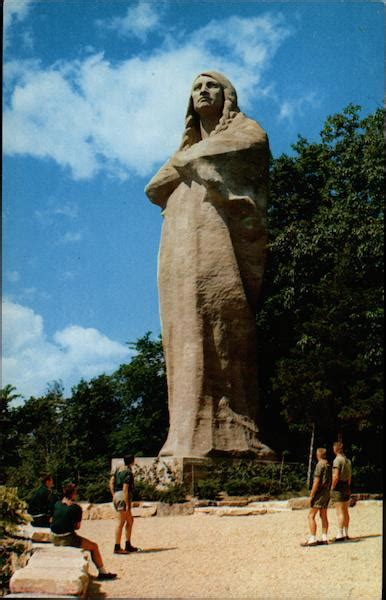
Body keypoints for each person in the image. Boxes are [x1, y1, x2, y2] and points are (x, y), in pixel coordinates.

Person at [145, 71, 273, 459]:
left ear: (227, 95)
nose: (203, 90)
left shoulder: (245, 132)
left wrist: (189, 162)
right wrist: (189, 161)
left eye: (211, 85)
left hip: (217, 243)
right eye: (196, 87)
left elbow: (253, 146)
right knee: (182, 334)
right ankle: (185, 434)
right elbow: (153, 188)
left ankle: (233, 434)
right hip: (179, 245)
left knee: (220, 325)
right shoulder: (189, 149)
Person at [51, 483, 116, 580]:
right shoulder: (76, 508)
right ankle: (102, 572)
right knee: (94, 546)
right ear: (73, 494)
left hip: (54, 537)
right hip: (67, 538)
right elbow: (77, 527)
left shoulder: (57, 504)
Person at [301, 448, 332, 547]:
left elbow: (316, 481)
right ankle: (324, 537)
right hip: (327, 492)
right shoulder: (328, 465)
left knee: (311, 515)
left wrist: (311, 495)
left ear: (318, 455)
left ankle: (313, 538)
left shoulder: (320, 465)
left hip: (320, 492)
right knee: (323, 515)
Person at [109, 455, 138, 554]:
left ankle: (128, 544)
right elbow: (125, 488)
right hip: (123, 496)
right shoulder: (128, 473)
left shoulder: (118, 470)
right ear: (132, 461)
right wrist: (127, 504)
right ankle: (117, 547)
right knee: (120, 522)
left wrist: (114, 495)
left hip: (117, 495)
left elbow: (111, 482)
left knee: (130, 520)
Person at [330, 440, 352, 542]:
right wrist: (347, 487)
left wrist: (332, 487)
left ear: (335, 449)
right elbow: (350, 477)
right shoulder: (348, 461)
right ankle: (346, 533)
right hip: (346, 486)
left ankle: (340, 534)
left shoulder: (337, 460)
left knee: (339, 512)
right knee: (346, 511)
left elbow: (336, 476)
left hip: (339, 487)